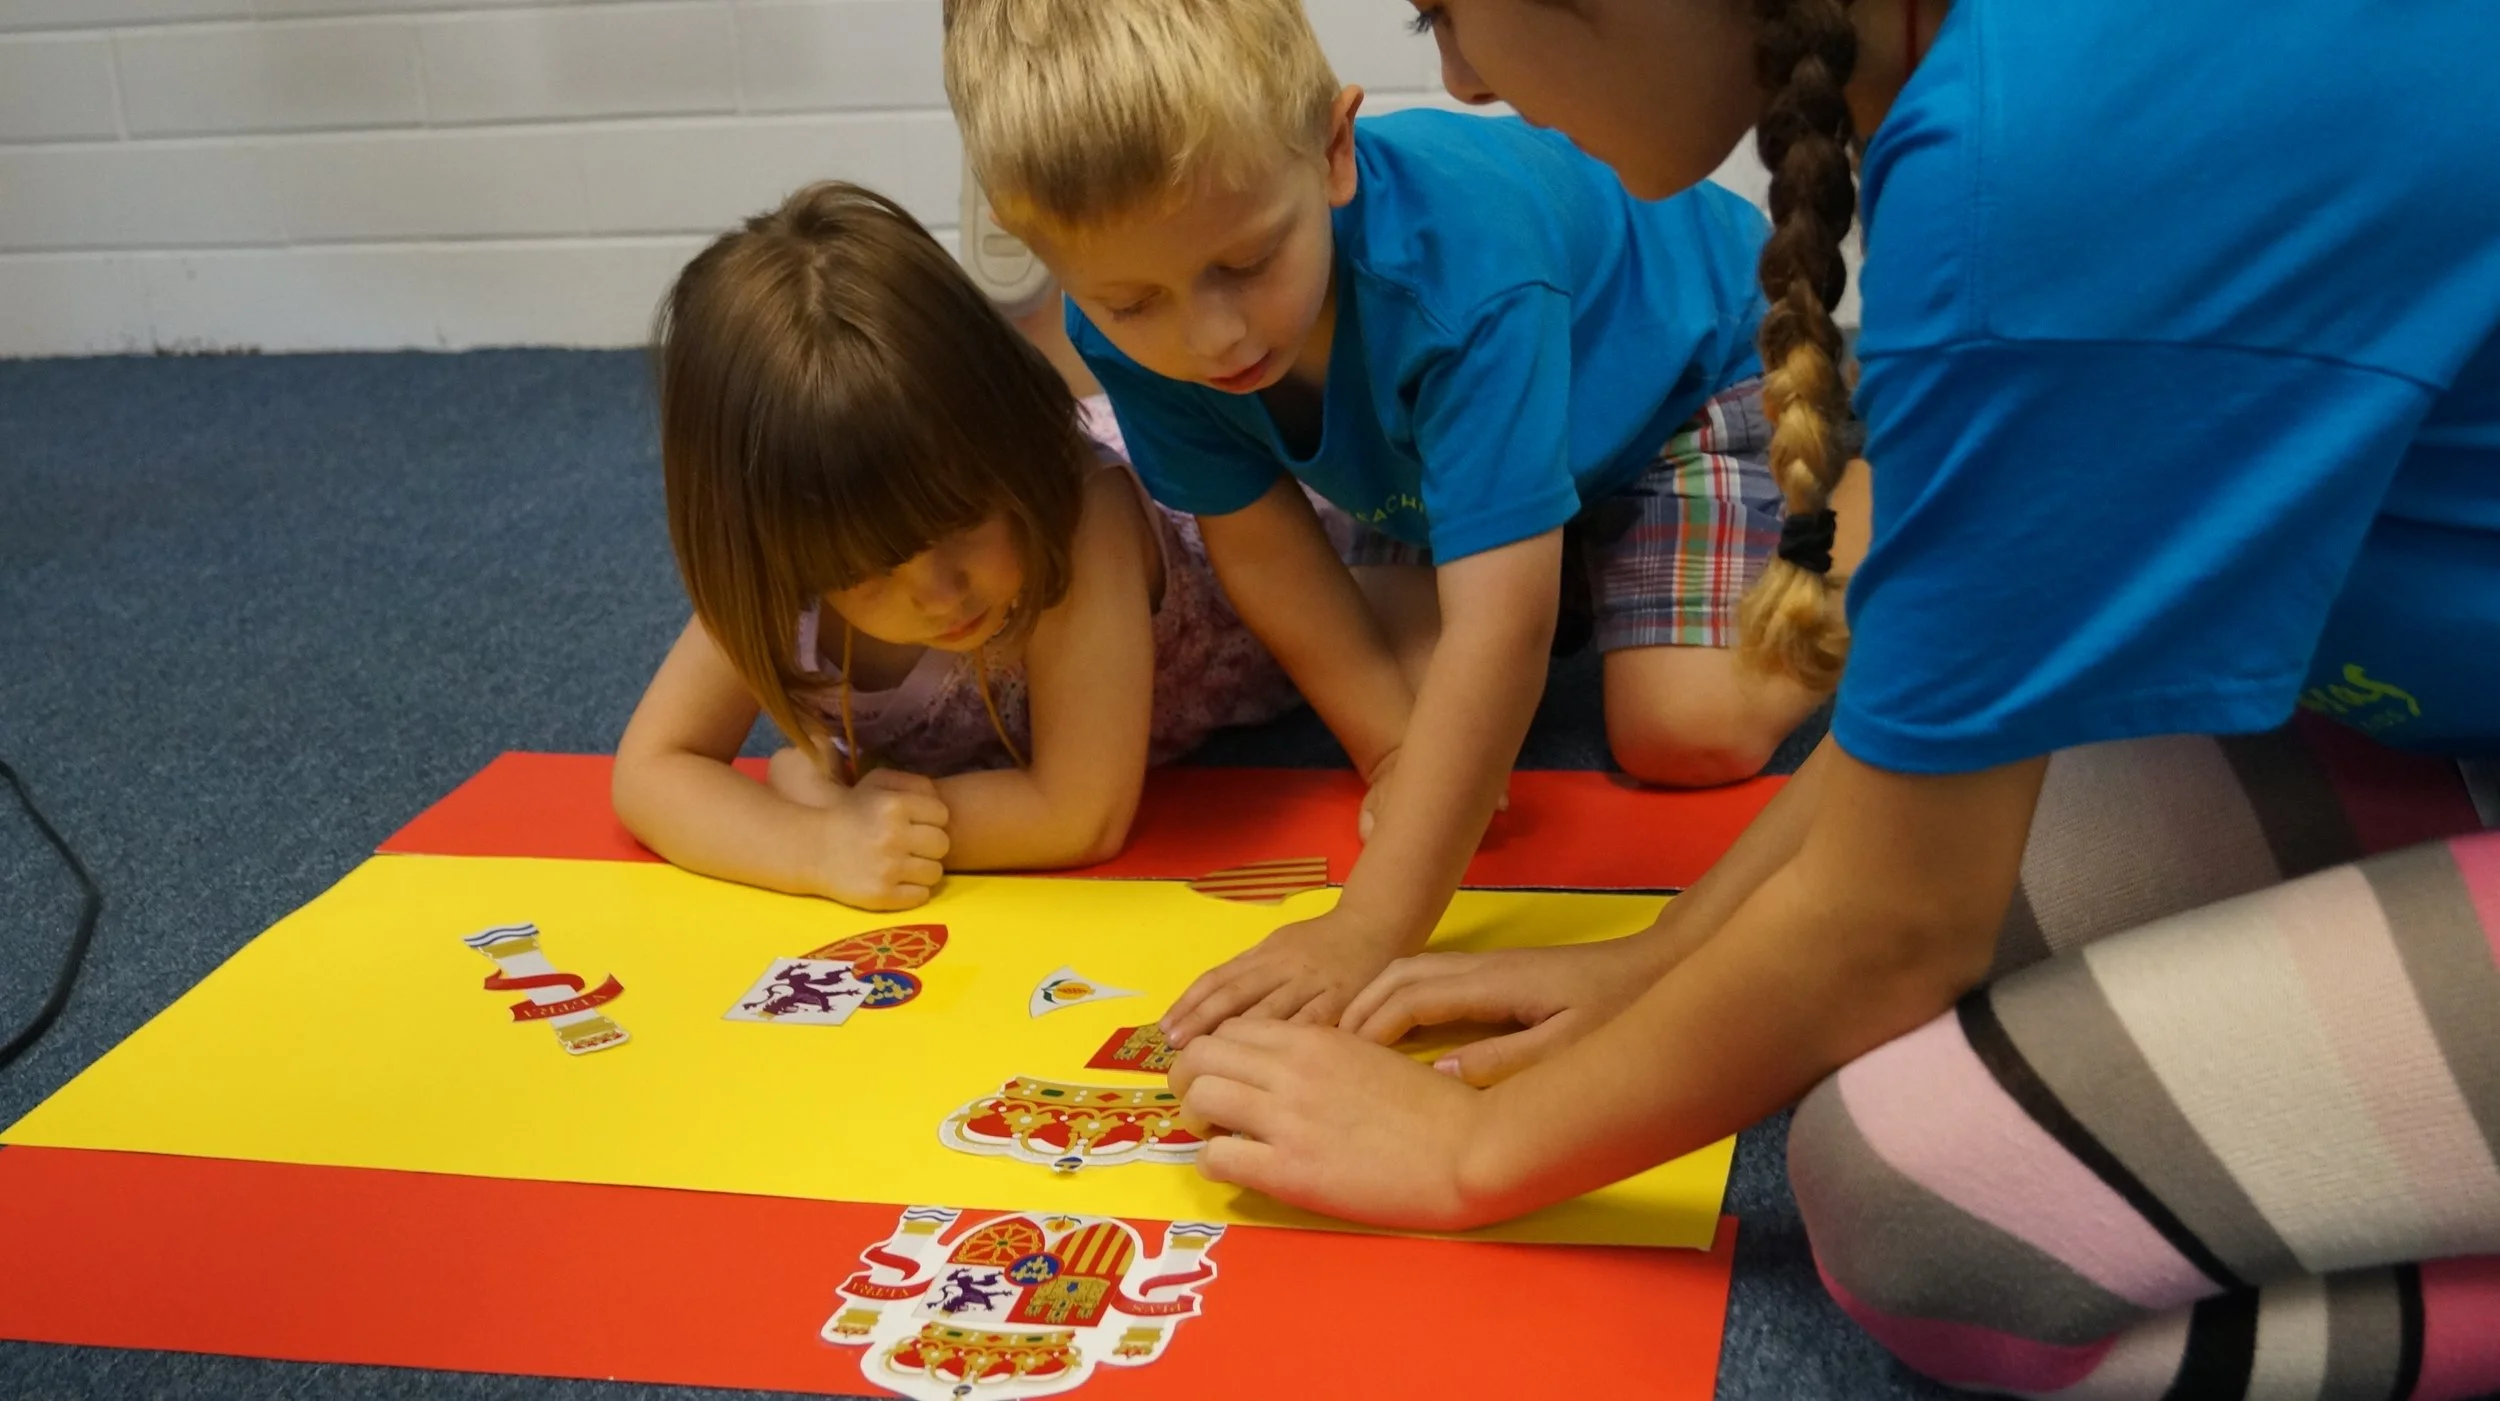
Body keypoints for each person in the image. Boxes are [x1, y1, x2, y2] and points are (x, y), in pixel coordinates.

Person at [1159, 0, 2500, 1394]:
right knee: (1953, 892)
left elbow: (1894, 926)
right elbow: (1926, 750)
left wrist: (1469, 1151)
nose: (1461, 81)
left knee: (1922, 1204)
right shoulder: (2002, 101)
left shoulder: (2040, 154)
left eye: (1448, 12)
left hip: (2424, 727)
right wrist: (1658, 960)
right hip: (2433, 730)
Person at [943, 0, 1837, 1045]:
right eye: (1135, 303)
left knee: (1682, 731)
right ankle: (1560, 545)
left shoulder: (1465, 268)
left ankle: (1866, 509)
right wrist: (1392, 754)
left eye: (1247, 263)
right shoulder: (1114, 331)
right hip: (1437, 454)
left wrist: (1367, 929)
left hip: (1690, 375)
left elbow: (1501, 631)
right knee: (1423, 716)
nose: (1212, 336)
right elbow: (1262, 551)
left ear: (1333, 152)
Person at [613, 182, 1329, 911]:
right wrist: (815, 844)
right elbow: (651, 768)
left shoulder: (1075, 514)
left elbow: (1078, 814)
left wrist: (845, 808)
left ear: (1013, 445)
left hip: (1285, 524)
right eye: (865, 573)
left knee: (1382, 617)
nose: (941, 592)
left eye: (961, 523)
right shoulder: (794, 534)